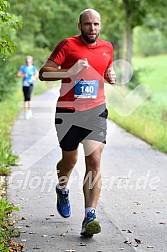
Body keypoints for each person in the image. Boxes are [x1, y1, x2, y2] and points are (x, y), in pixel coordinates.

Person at [39, 8, 116, 238]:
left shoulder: (107, 47)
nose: (92, 28)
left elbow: (104, 69)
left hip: (96, 111)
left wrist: (109, 75)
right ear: (79, 25)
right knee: (69, 161)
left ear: (100, 26)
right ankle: (62, 188)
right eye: (87, 24)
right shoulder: (67, 45)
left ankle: (89, 216)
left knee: (94, 159)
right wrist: (70, 72)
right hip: (68, 112)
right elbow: (44, 73)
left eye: (96, 24)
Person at [16, 55, 39, 120]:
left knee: (28, 98)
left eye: (29, 62)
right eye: (26, 62)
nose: (28, 63)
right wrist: (23, 75)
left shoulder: (33, 67)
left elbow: (37, 73)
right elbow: (18, 75)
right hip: (25, 85)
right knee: (26, 99)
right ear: (25, 62)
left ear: (31, 62)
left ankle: (29, 111)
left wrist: (34, 77)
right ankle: (26, 112)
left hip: (31, 84)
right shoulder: (23, 67)